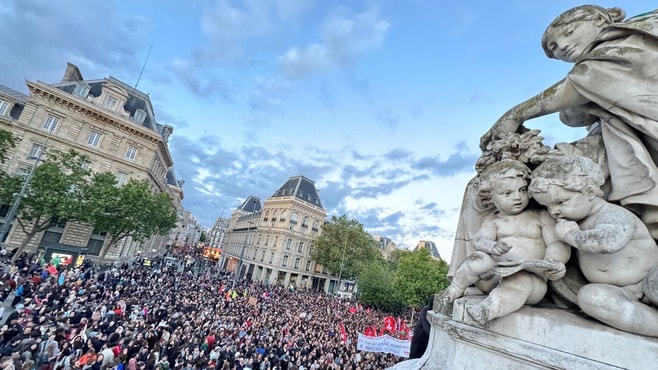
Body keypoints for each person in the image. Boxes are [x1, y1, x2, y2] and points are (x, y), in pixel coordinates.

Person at [479, 6, 658, 237]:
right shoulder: (593, 71)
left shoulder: (630, 40)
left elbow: (582, 81)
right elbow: (574, 114)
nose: (563, 46)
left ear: (599, 19)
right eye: (554, 49)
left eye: (570, 32)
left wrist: (515, 114)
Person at [530, 155, 658, 336]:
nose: (554, 211)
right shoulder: (572, 223)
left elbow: (609, 242)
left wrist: (570, 235)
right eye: (547, 206)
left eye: (560, 202)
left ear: (589, 192)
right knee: (590, 297)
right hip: (621, 292)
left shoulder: (613, 214)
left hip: (648, 278)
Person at [439, 160, 570, 325]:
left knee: (519, 281)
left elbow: (556, 244)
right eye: (507, 193)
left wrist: (555, 261)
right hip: (493, 276)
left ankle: (488, 309)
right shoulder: (493, 220)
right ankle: (455, 289)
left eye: (522, 190)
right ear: (491, 197)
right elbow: (479, 240)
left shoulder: (541, 216)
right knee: (478, 259)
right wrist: (492, 246)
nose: (517, 197)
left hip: (531, 278)